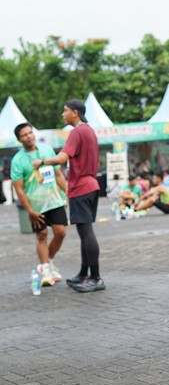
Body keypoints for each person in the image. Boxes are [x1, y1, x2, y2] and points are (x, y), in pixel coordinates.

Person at [33, 98, 104, 293]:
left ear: (75, 112)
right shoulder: (89, 131)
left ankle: (96, 277)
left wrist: (42, 162)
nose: (63, 114)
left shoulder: (77, 132)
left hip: (81, 187)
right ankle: (83, 274)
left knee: (86, 232)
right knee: (84, 232)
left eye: (65, 111)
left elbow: (62, 158)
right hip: (91, 184)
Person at [11, 123, 68, 286]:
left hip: (54, 200)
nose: (29, 136)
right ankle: (46, 271)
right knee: (41, 235)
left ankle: (47, 262)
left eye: (30, 133)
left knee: (60, 233)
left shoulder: (47, 151)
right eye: (24, 135)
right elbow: (19, 189)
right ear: (19, 139)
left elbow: (58, 175)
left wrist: (67, 192)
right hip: (36, 205)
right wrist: (29, 211)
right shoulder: (18, 160)